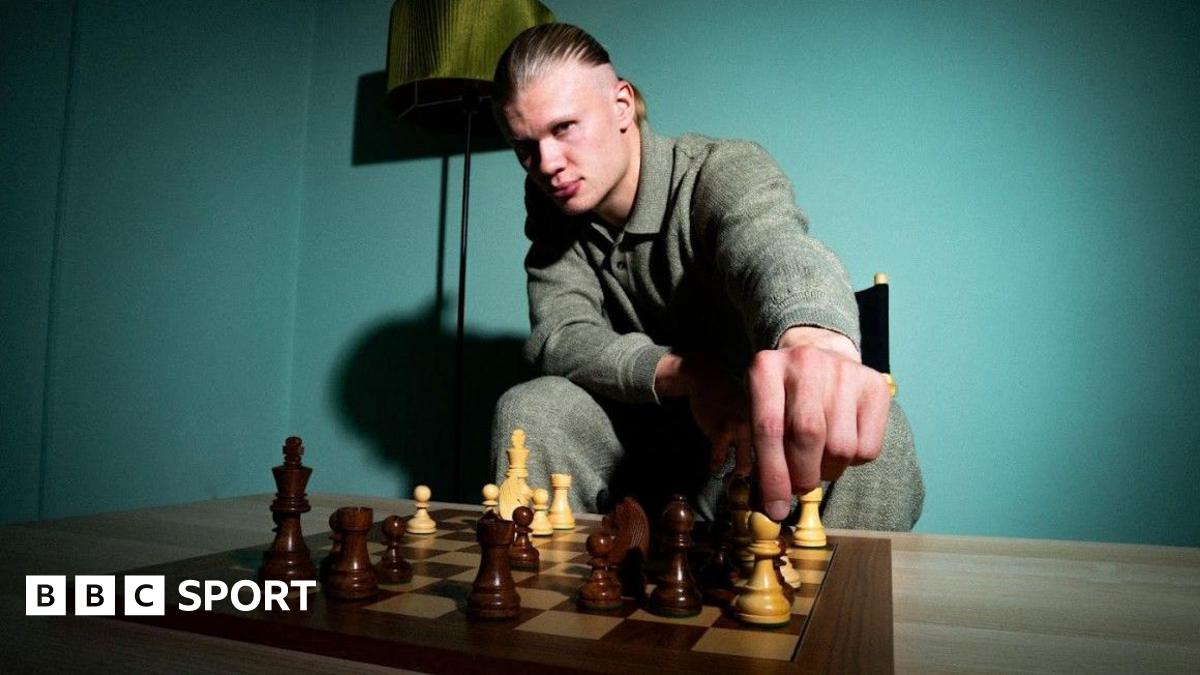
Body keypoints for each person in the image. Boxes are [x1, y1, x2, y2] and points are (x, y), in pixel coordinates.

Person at [488, 23, 923, 529]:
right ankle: (548, 600)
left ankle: (843, 605)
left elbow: (772, 246)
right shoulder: (551, 213)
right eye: (525, 147)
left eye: (564, 128)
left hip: (745, 437)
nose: (547, 164)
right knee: (532, 408)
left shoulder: (719, 170)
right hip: (637, 438)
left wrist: (814, 336)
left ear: (621, 105)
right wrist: (687, 373)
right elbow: (559, 336)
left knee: (881, 430)